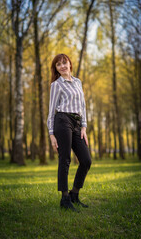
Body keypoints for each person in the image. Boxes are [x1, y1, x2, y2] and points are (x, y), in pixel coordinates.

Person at [47, 53, 91, 211]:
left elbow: (83, 106)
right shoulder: (56, 85)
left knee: (86, 161)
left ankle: (74, 194)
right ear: (56, 69)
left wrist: (84, 127)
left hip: (77, 124)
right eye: (58, 64)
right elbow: (52, 111)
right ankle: (64, 199)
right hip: (62, 121)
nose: (62, 66)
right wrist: (52, 134)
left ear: (70, 64)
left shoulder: (78, 82)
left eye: (64, 62)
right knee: (65, 159)